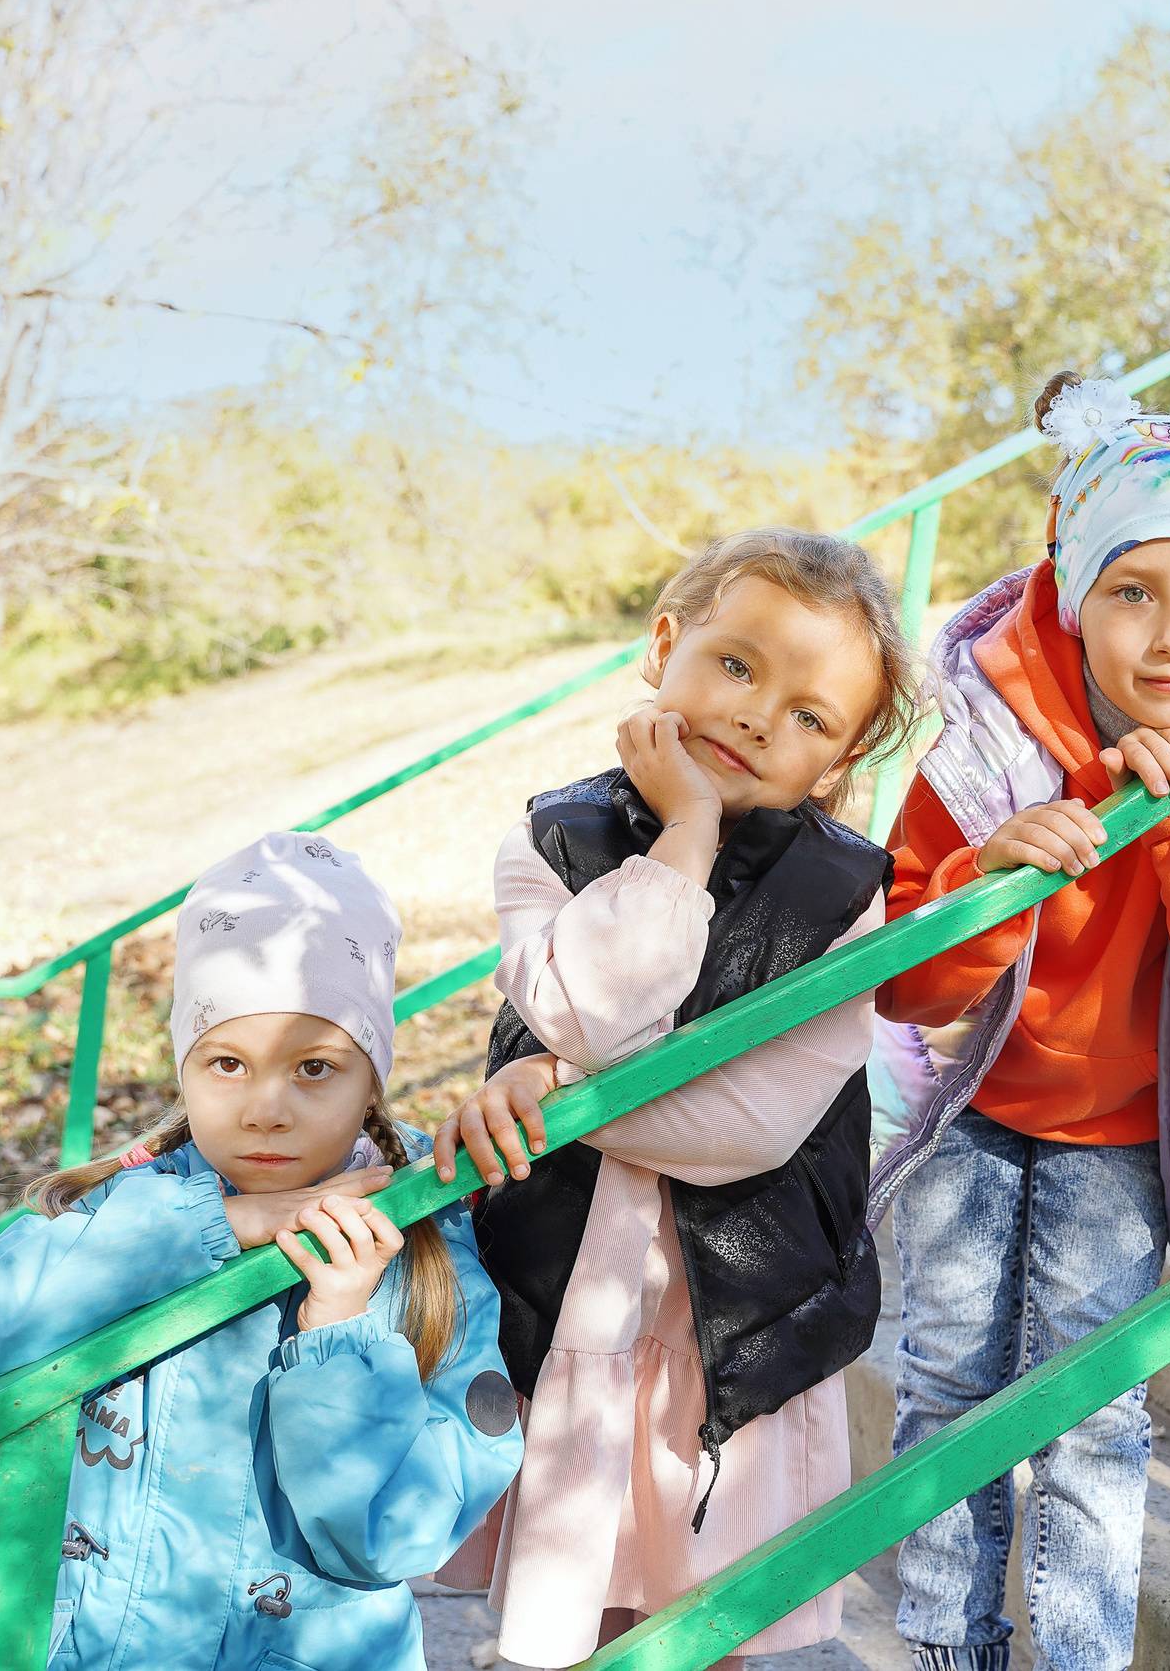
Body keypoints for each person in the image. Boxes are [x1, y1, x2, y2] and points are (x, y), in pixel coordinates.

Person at [869, 362, 1170, 1671]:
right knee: (948, 1407)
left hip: (1127, 1143)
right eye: (1130, 589)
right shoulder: (986, 735)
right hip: (967, 1120)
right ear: (1078, 597)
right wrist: (992, 879)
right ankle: (941, 1653)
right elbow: (908, 981)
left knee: (1091, 1425)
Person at [431, 528, 919, 1669]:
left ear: (840, 762)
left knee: (708, 1624)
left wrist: (552, 1091)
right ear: (666, 648)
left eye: (811, 717)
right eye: (739, 667)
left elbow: (749, 1126)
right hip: (575, 1307)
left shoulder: (844, 896)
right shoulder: (553, 840)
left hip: (737, 1324)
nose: (758, 719)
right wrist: (686, 837)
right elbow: (596, 1011)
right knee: (566, 1619)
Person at [0, 832, 521, 1671]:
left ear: (373, 1078)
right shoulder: (133, 1195)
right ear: (185, 1069)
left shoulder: (429, 1245)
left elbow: (399, 1536)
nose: (266, 1107)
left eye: (315, 1066)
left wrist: (339, 1330)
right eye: (227, 1062)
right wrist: (220, 1223)